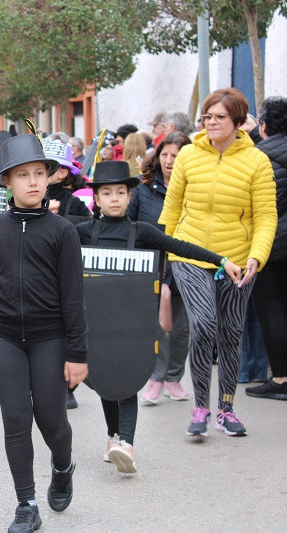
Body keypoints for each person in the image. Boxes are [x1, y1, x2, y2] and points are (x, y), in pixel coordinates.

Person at [77, 161, 240, 473]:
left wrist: (221, 260)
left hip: (135, 326)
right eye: (107, 192)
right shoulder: (82, 233)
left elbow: (181, 247)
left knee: (128, 379)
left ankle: (126, 443)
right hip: (95, 326)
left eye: (121, 192)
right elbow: (48, 247)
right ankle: (113, 437)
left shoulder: (143, 233)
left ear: (128, 196)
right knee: (105, 380)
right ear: (96, 198)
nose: (114, 198)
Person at [0, 134, 87, 533]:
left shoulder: (63, 231)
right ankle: (26, 504)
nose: (32, 181)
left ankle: (63, 466)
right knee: (15, 419)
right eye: (22, 175)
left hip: (50, 338)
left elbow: (74, 297)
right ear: (7, 182)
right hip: (3, 337)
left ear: (49, 178)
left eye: (38, 173)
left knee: (52, 421)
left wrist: (78, 353)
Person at [158, 87, 277, 437]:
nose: (210, 122)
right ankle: (200, 407)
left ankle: (226, 408)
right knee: (205, 324)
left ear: (238, 121)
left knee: (230, 332)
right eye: (207, 116)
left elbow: (266, 216)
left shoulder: (257, 161)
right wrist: (163, 253)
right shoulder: (188, 155)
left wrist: (257, 256)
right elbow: (172, 207)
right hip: (189, 254)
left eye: (219, 117)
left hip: (238, 260)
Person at [128, 132, 193, 406]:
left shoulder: (194, 189)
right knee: (157, 326)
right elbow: (130, 224)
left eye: (176, 156)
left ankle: (174, 378)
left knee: (180, 328)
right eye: (165, 154)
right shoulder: (144, 189)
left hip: (185, 266)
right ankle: (156, 377)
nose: (169, 161)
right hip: (153, 267)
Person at [246, 95, 287, 401]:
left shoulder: (259, 158)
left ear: (264, 124)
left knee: (271, 311)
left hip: (271, 244)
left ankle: (281, 379)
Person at [42, 139, 91, 219]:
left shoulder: (75, 204)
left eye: (49, 166)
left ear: (63, 173)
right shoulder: (29, 199)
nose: (42, 170)